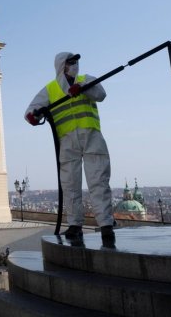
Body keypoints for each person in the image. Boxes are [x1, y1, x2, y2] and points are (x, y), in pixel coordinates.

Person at [24, 52, 115, 246]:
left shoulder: (86, 80)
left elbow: (101, 94)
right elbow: (31, 110)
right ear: (62, 66)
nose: (75, 65)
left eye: (76, 62)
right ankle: (75, 225)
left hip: (91, 137)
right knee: (70, 185)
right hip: (67, 142)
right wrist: (33, 116)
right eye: (71, 62)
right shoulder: (50, 89)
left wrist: (82, 88)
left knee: (98, 180)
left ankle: (106, 224)